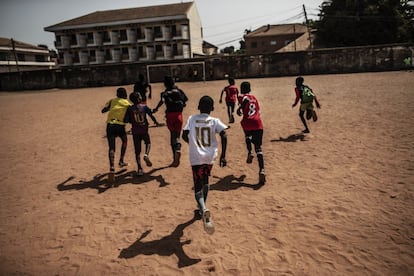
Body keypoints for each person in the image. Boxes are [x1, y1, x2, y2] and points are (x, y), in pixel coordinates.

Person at [182, 95, 227, 235]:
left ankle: (203, 209)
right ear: (212, 108)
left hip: (196, 157)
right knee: (206, 180)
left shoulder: (192, 119)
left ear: (198, 107)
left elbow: (184, 134)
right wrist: (223, 155)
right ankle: (202, 208)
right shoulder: (214, 121)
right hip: (209, 156)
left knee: (197, 185)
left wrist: (192, 144)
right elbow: (224, 135)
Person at [153, 76, 188, 167]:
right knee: (177, 136)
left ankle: (174, 157)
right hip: (179, 115)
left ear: (165, 84)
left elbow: (162, 101)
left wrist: (156, 109)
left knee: (172, 136)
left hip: (170, 116)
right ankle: (178, 148)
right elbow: (185, 102)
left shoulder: (165, 93)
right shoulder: (179, 91)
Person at [124, 92, 161, 176]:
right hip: (144, 130)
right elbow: (151, 115)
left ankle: (139, 168)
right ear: (138, 99)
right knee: (148, 143)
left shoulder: (130, 108)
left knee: (137, 151)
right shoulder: (144, 107)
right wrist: (156, 122)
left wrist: (131, 120)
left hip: (135, 131)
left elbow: (126, 120)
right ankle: (146, 154)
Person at [236, 81, 265, 184]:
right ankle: (262, 170)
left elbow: (243, 101)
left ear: (242, 89)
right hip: (258, 123)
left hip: (247, 122)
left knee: (247, 135)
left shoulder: (241, 96)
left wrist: (239, 108)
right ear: (250, 89)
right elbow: (259, 111)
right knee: (259, 148)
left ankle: (249, 152)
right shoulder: (255, 98)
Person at [101, 87, 130, 181]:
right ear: (125, 94)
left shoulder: (112, 101)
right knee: (125, 141)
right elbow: (130, 114)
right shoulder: (127, 103)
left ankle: (112, 167)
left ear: (117, 94)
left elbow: (103, 110)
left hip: (110, 125)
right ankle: (121, 160)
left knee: (112, 147)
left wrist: (112, 108)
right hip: (120, 125)